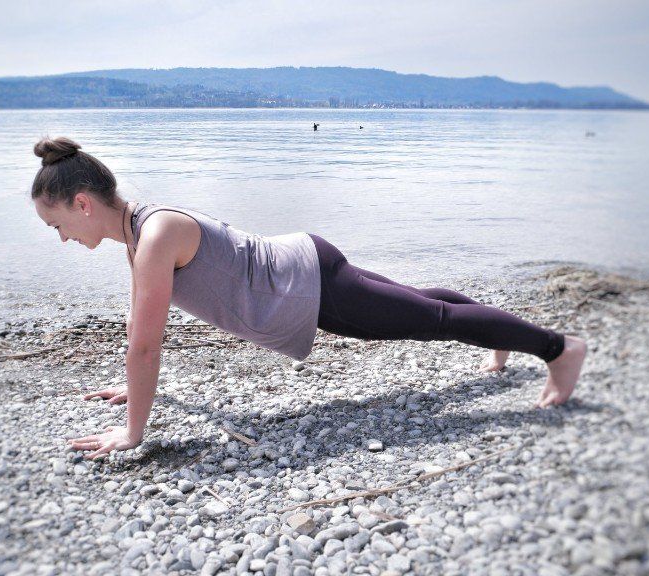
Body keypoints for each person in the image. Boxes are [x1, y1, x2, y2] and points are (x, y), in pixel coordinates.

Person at [30, 136, 588, 460]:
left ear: (82, 203)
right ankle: (497, 339)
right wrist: (133, 390)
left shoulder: (151, 237)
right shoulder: (139, 236)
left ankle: (560, 349)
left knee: (431, 317)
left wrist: (133, 432)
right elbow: (140, 333)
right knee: (425, 307)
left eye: (55, 224)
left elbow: (145, 348)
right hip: (305, 269)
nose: (60, 239)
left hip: (307, 287)